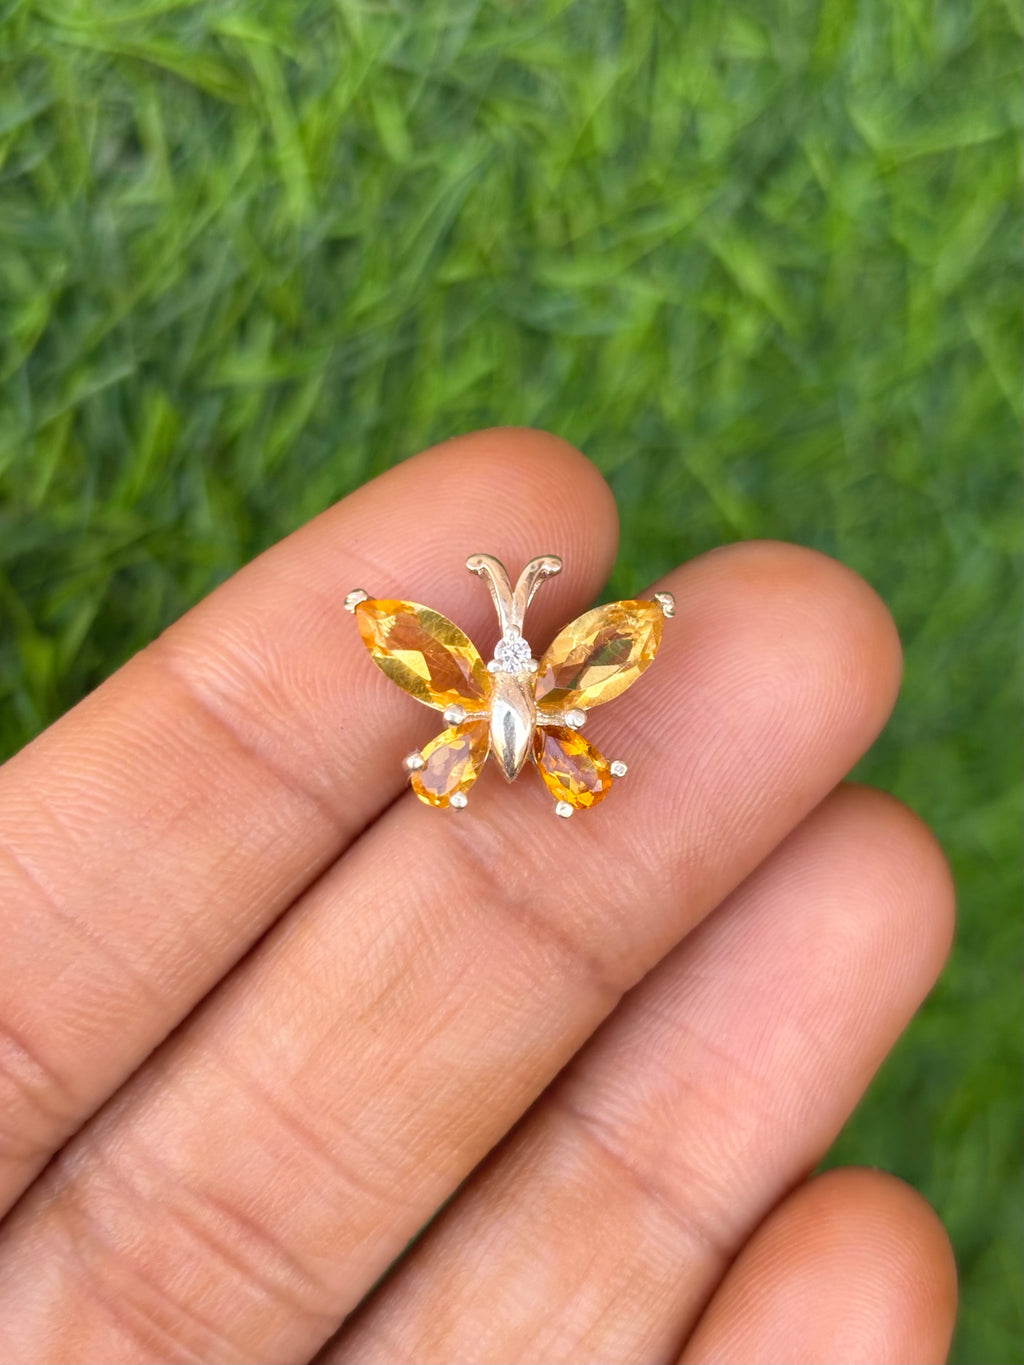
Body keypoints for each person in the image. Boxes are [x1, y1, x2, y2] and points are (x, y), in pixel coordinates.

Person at [0, 428, 957, 1363]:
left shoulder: (532, 679)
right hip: (511, 749)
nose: (508, 663)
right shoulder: (489, 677)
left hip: (507, 749)